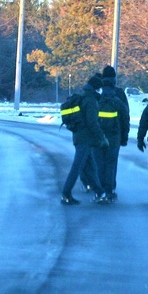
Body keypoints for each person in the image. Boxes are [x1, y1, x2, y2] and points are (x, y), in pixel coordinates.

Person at [61, 74, 110, 205]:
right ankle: (66, 194)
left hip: (80, 137)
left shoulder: (84, 97)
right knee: (77, 167)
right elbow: (92, 122)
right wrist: (102, 138)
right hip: (85, 139)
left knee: (90, 168)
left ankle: (100, 193)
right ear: (97, 88)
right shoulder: (91, 101)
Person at [98, 68, 129, 200]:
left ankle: (100, 190)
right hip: (115, 135)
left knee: (99, 162)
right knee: (111, 163)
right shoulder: (119, 94)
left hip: (98, 136)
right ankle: (110, 190)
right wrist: (124, 137)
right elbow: (125, 117)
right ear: (114, 79)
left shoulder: (97, 93)